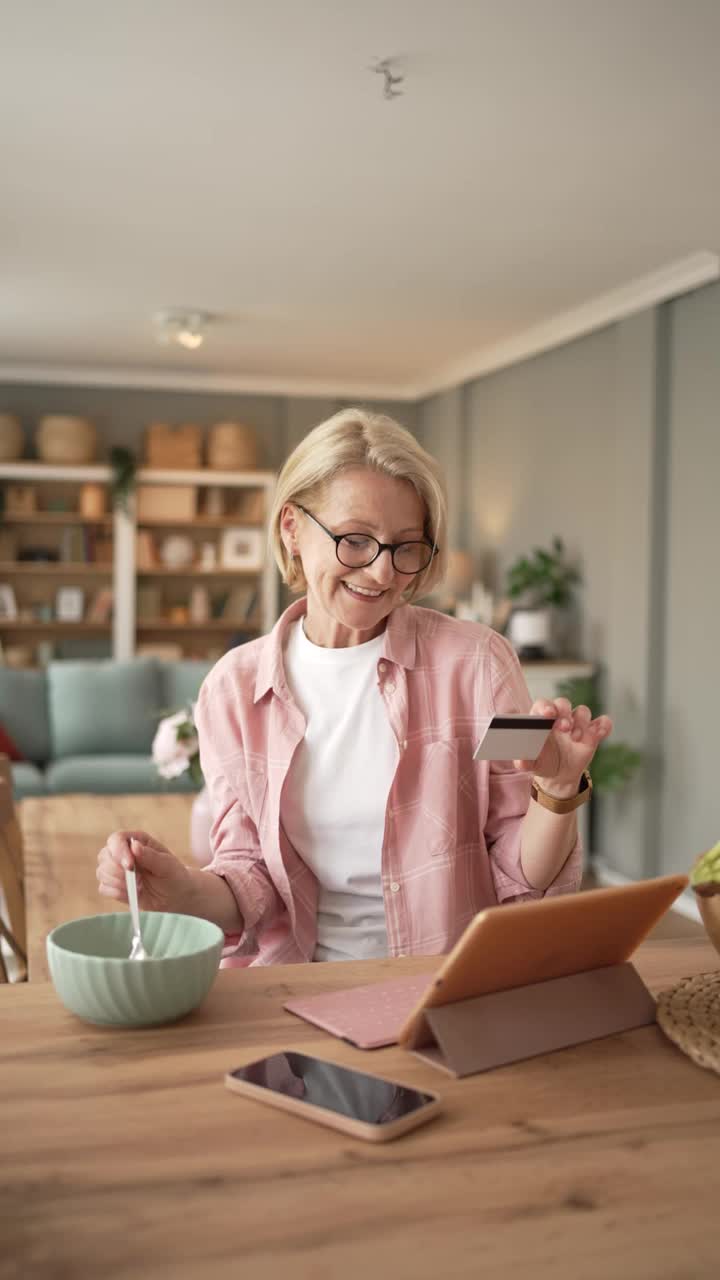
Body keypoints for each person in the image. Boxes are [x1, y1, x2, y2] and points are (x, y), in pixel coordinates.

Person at [97, 408, 612, 966]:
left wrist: (557, 794)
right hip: (292, 992)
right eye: (355, 540)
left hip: (441, 986)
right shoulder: (233, 689)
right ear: (292, 528)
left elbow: (518, 873)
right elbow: (250, 876)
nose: (382, 573)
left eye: (405, 547)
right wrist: (182, 891)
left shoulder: (480, 664)